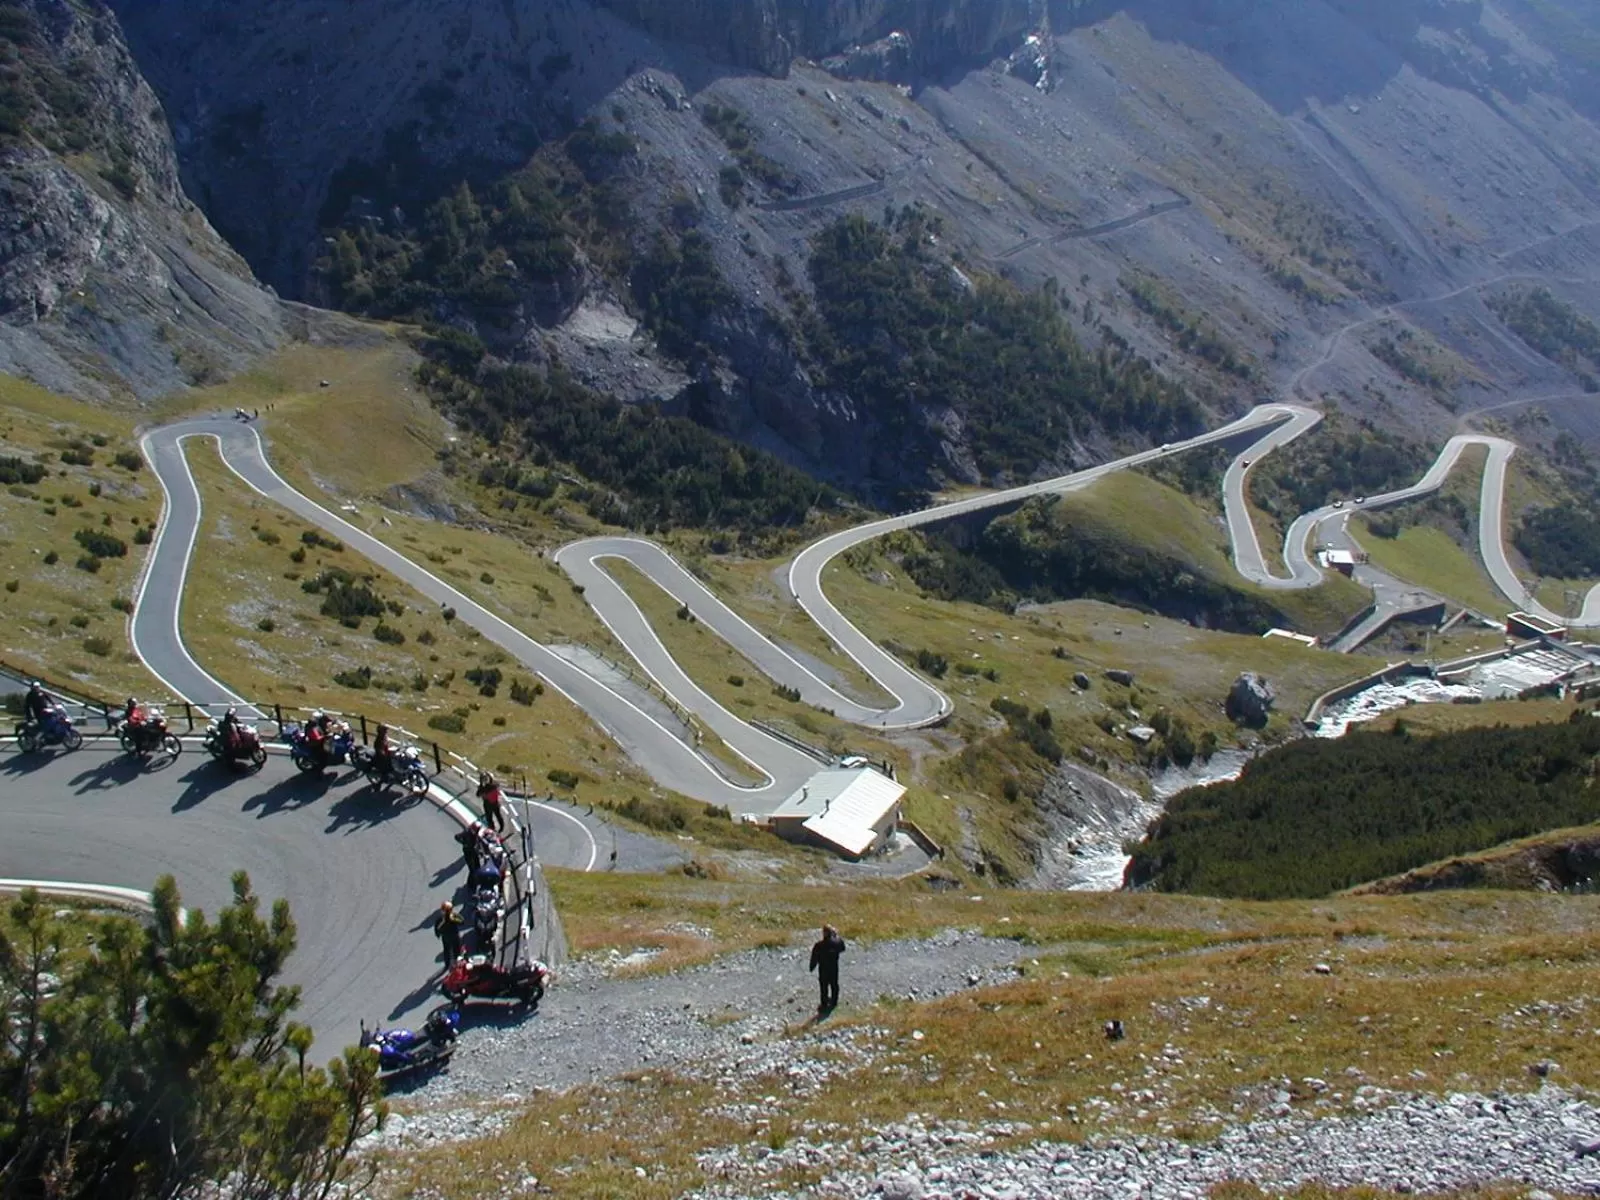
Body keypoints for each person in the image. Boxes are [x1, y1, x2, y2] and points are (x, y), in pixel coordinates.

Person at [809, 924, 846, 1014]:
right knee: (834, 985)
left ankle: (824, 1004)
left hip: (823, 969)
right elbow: (843, 948)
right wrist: (836, 936)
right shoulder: (837, 943)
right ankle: (834, 1002)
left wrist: (812, 967)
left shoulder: (819, 945)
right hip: (834, 968)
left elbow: (814, 957)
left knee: (824, 986)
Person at [433, 900, 463, 965]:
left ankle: (456, 963)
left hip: (451, 936)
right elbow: (437, 928)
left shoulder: (453, 916)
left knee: (454, 950)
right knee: (450, 950)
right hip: (449, 937)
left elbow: (462, 921)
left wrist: (438, 934)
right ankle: (449, 963)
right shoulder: (441, 919)